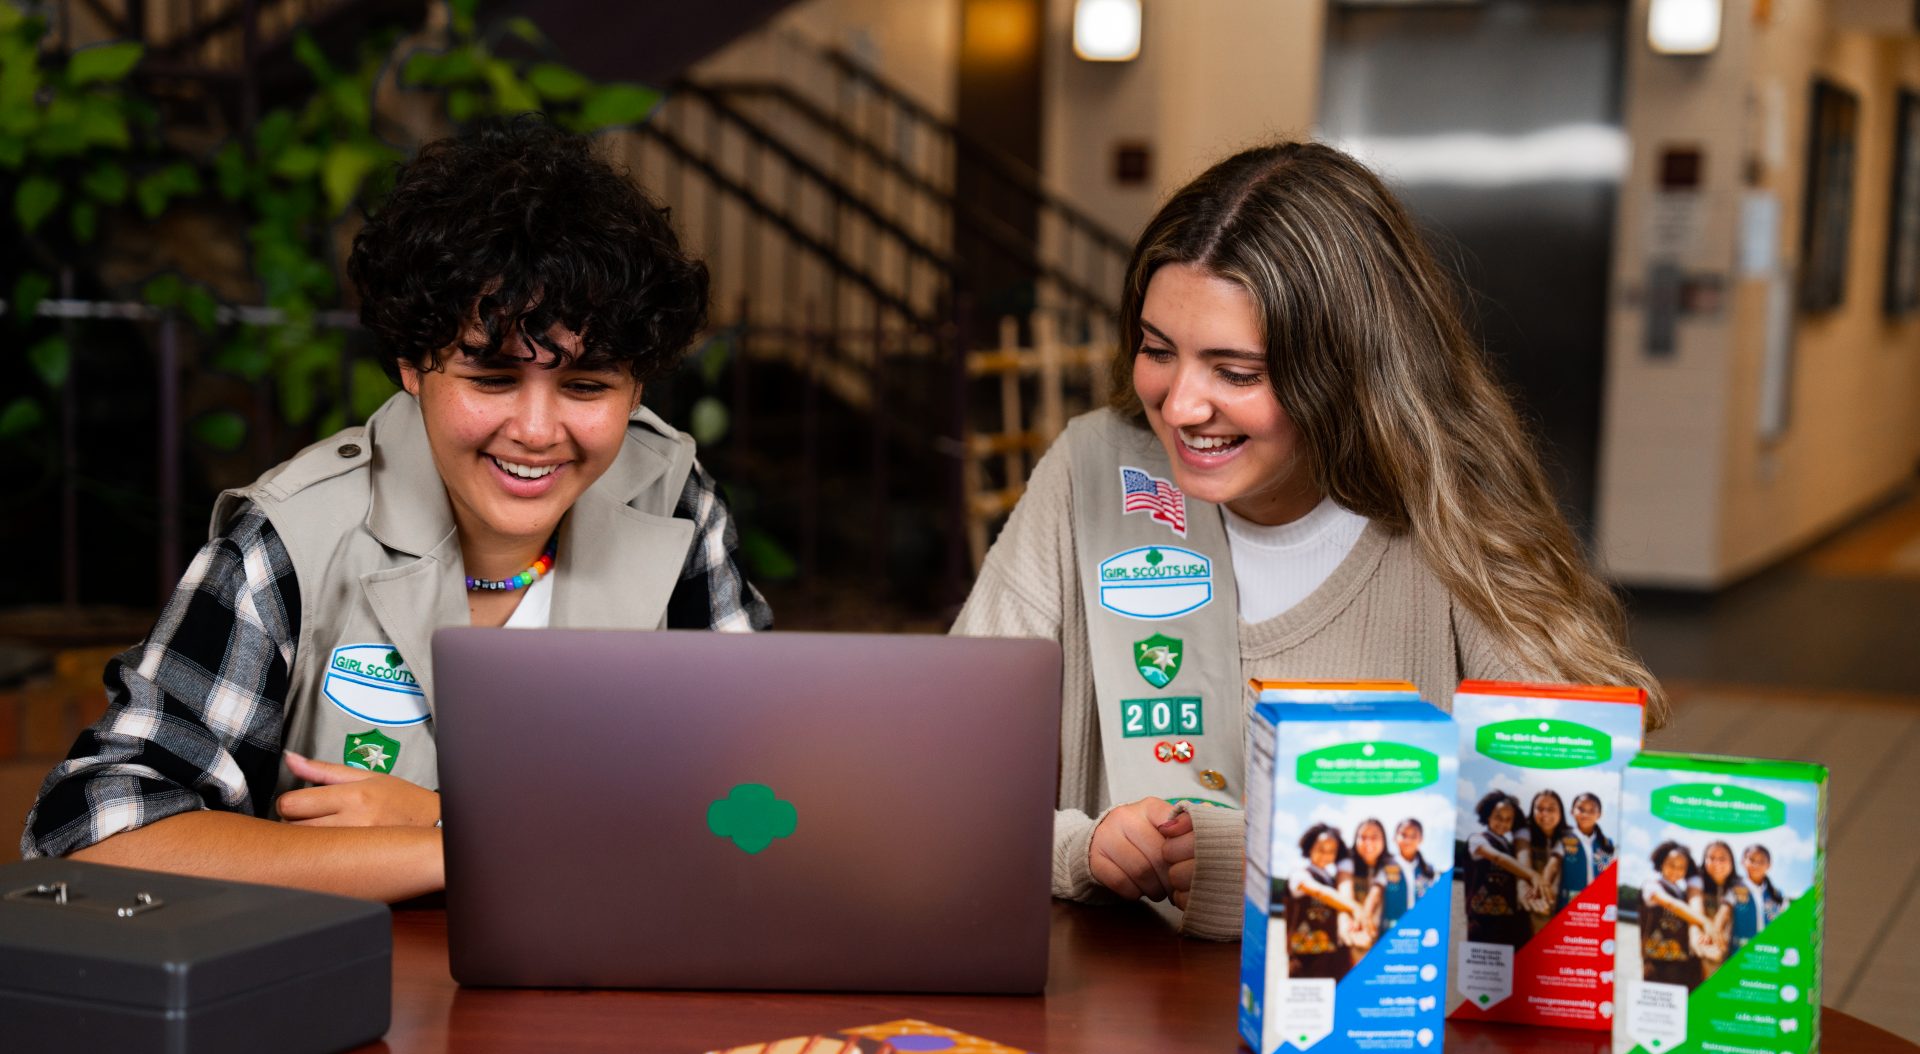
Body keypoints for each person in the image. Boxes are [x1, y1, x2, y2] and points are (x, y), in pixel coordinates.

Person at [21, 119, 770, 899]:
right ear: (414, 363)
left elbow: (763, 809)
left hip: (604, 997)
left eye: (587, 386)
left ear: (637, 387)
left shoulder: (674, 506)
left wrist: (447, 822)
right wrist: (456, 853)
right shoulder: (296, 537)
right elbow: (90, 834)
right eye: (490, 378)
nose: (538, 431)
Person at [950, 142, 1664, 939]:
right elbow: (944, 772)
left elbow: (1571, 841)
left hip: (1371, 1034)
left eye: (1237, 372)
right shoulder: (1092, 472)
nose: (1180, 405)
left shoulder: (1453, 521)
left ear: (1347, 373)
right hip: (1114, 1020)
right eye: (1157, 351)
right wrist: (1083, 853)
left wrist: (1241, 861)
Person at [1285, 823, 1357, 979]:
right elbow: (1320, 892)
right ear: (1310, 847)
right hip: (1305, 959)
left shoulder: (1331, 879)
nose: (1326, 855)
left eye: (1331, 851)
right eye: (1321, 849)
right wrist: (1355, 908)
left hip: (1331, 958)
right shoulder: (1299, 874)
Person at [1465, 790, 1536, 946]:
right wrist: (1532, 875)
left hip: (1507, 921)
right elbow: (1498, 858)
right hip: (1482, 921)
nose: (1503, 823)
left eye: (1508, 819)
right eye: (1498, 817)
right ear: (1488, 815)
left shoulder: (1509, 846)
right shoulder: (1477, 840)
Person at [1640, 842, 1711, 989]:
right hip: (1658, 964)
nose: (1675, 870)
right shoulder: (1652, 885)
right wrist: (1704, 922)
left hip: (1682, 964)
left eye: (1681, 867)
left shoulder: (1682, 892)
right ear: (1661, 863)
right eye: (1671, 864)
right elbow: (1671, 904)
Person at [1521, 789, 1575, 927]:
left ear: (1561, 812)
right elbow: (1522, 860)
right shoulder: (1524, 832)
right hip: (1530, 904)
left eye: (1551, 809)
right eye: (1539, 808)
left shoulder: (1570, 835)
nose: (1545, 813)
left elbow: (1554, 864)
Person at [1696, 841, 1748, 978]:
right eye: (1711, 858)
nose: (1717, 863)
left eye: (1722, 858)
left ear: (1732, 862)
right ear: (1704, 860)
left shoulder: (1741, 886)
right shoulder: (1697, 885)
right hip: (1701, 954)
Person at [1560, 791, 1615, 909]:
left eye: (1592, 810)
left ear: (1599, 814)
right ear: (1572, 811)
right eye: (1581, 809)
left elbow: (1606, 879)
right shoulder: (1563, 838)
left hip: (1596, 906)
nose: (1585, 814)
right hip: (1567, 905)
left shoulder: (1607, 844)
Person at [1345, 816, 1390, 962]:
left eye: (1374, 837)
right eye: (1363, 837)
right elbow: (1345, 897)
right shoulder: (1347, 865)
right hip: (1354, 939)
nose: (1368, 842)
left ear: (1384, 840)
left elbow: (1376, 894)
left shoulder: (1391, 867)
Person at [1379, 817, 1437, 930]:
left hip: (1420, 930)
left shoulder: (1428, 870)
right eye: (1403, 835)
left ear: (1421, 839)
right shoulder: (1385, 866)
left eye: (1413, 836)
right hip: (1390, 931)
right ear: (1394, 838)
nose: (1408, 840)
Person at [1743, 844, 1789, 928]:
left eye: (1761, 861)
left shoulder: (1778, 895)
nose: (1756, 865)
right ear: (1743, 862)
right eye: (1752, 860)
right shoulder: (1733, 890)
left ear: (1769, 865)